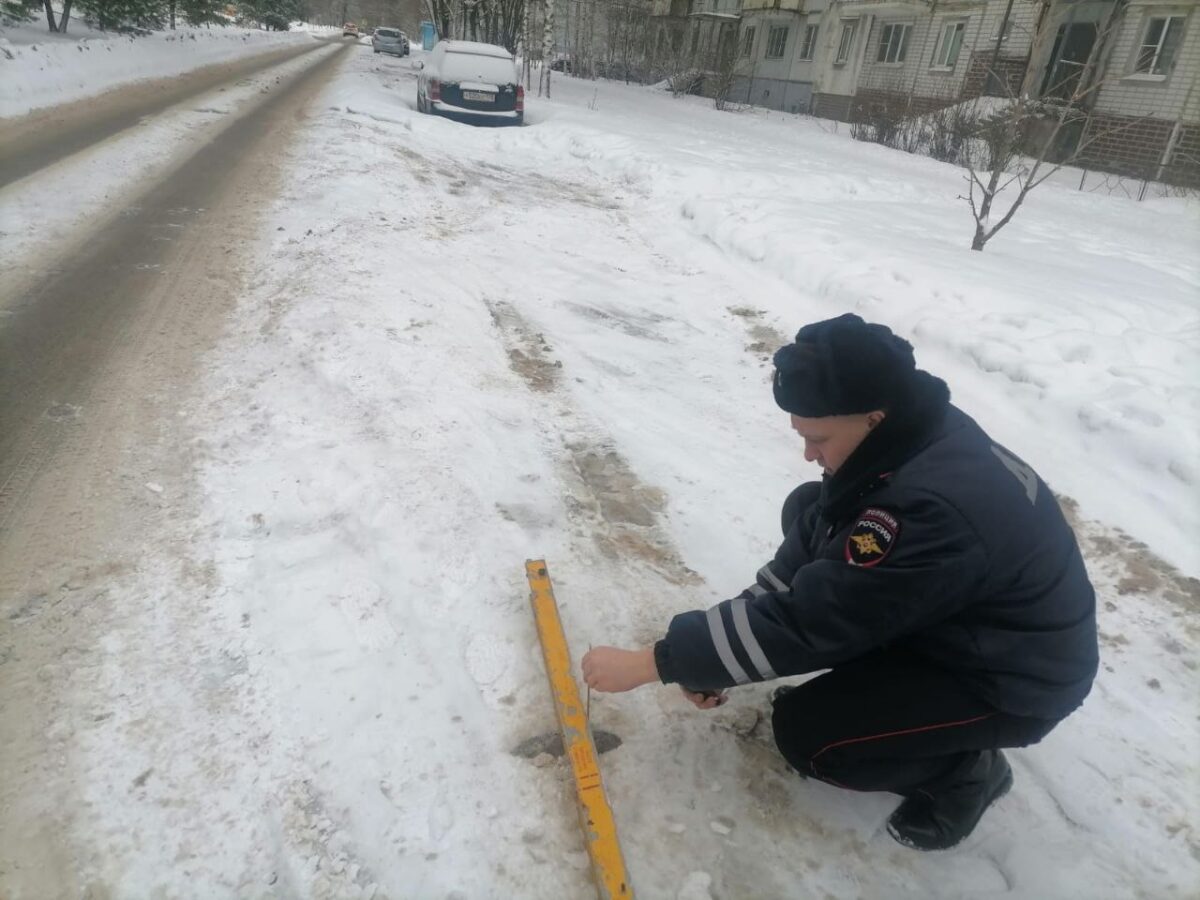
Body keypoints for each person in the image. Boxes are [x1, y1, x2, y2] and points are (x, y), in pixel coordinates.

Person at [581, 313, 1098, 851]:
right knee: (810, 508)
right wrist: (713, 659)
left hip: (1013, 679)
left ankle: (966, 770)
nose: (808, 453)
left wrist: (657, 662)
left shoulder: (928, 511)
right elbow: (802, 581)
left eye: (818, 437)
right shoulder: (911, 429)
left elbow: (810, 622)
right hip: (963, 620)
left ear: (873, 418)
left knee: (812, 737)